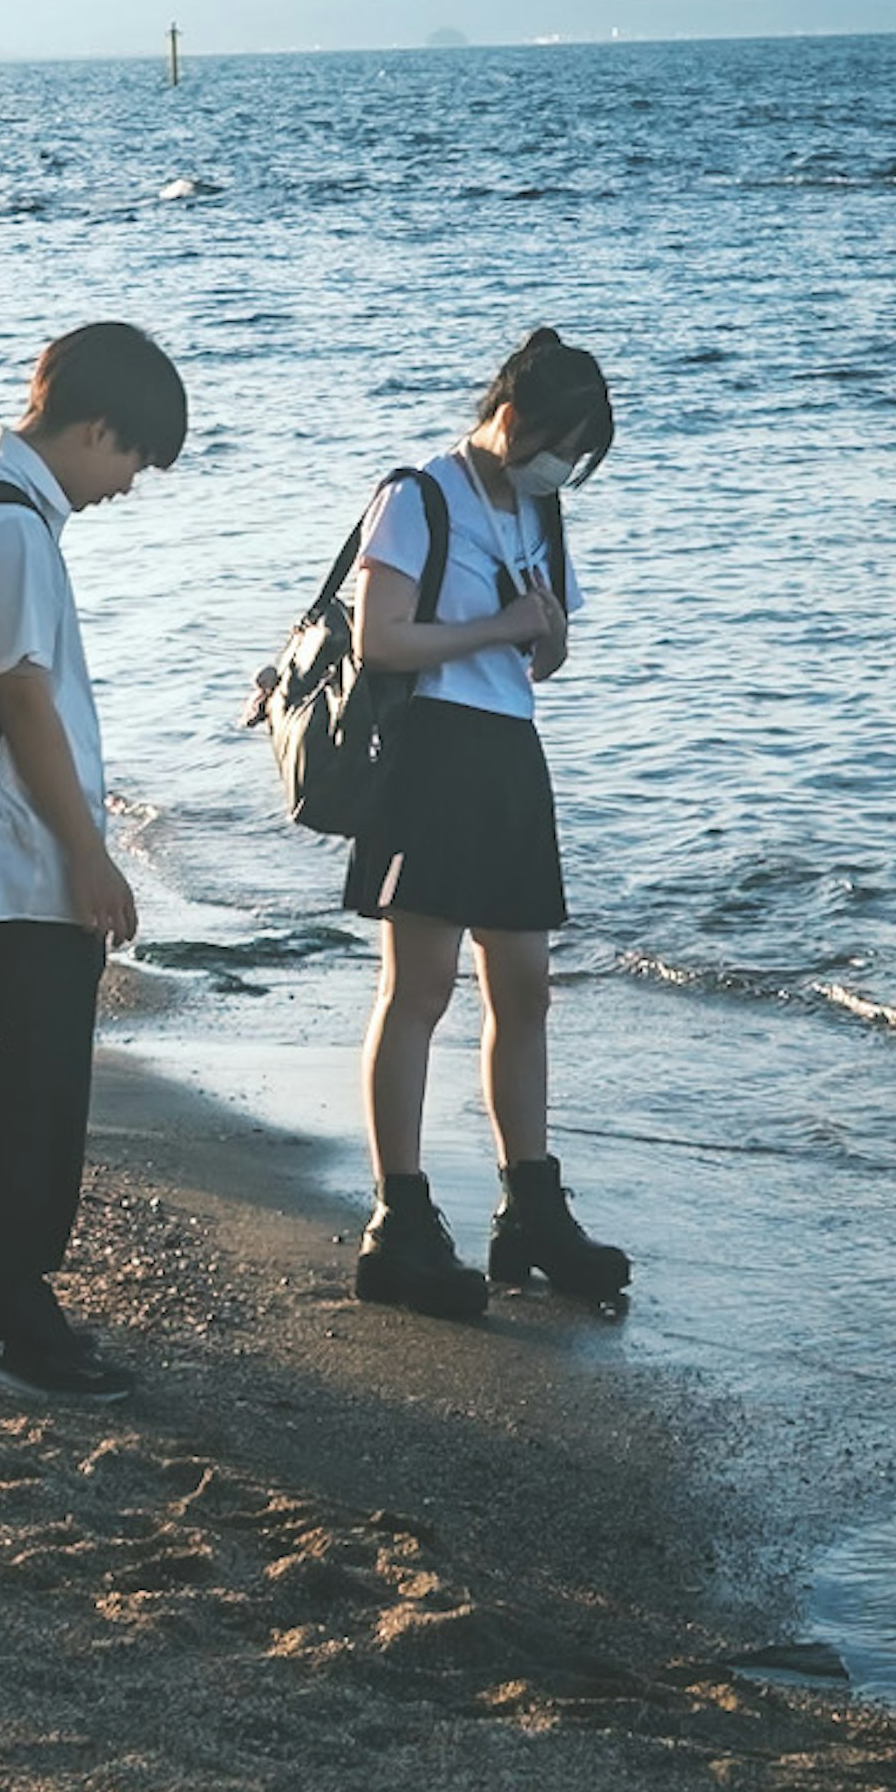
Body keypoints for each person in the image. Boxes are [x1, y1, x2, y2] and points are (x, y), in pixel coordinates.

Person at [0, 317, 187, 1403]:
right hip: (25, 860)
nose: (129, 483)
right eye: (133, 457)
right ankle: (1, 1321)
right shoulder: (14, 531)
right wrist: (93, 858)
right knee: (28, 1104)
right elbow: (24, 703)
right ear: (94, 426)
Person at [345, 326, 634, 1322]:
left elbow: (534, 663)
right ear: (510, 416)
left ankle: (533, 1207)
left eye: (581, 455)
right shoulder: (422, 494)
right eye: (560, 442)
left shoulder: (541, 511)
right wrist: (501, 630)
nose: (565, 466)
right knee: (418, 988)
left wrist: (541, 640)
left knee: (525, 987)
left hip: (510, 755)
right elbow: (379, 639)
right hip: (431, 754)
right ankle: (402, 1218)